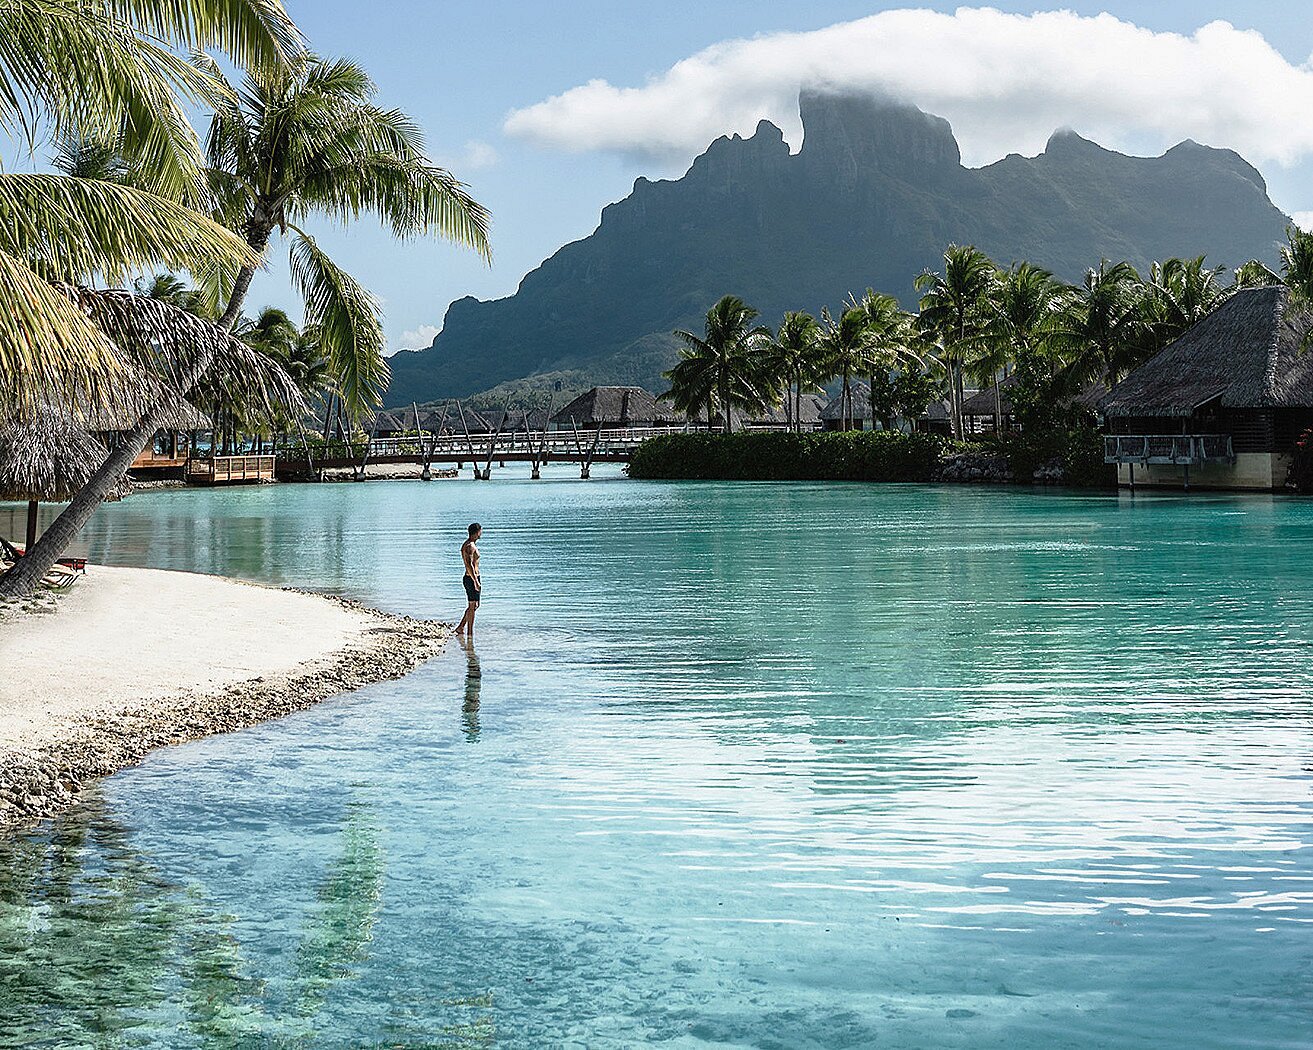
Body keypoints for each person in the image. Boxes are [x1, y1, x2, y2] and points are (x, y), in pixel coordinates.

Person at [455, 522, 481, 635]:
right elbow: (469, 564)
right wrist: (475, 581)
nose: (481, 534)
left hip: (473, 577)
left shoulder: (470, 544)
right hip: (470, 578)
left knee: (475, 605)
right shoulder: (470, 546)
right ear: (477, 532)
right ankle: (470, 633)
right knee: (472, 605)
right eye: (480, 531)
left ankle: (461, 627)